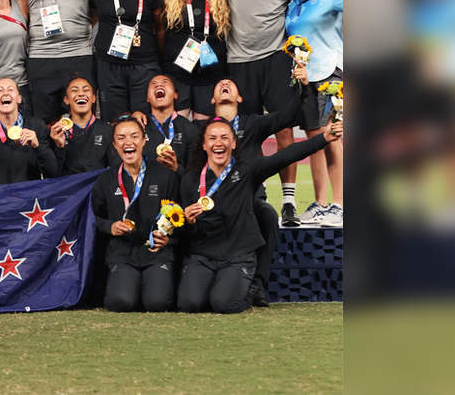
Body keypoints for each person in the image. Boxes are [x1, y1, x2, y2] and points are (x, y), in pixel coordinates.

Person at [176, 117, 343, 314]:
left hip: (236, 256)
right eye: (212, 138)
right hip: (202, 256)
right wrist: (188, 221)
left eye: (224, 137)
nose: (218, 143)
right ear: (204, 145)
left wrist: (323, 138)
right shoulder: (190, 180)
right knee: (189, 305)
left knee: (224, 304)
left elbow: (286, 156)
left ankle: (248, 289)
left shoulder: (247, 171)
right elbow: (188, 232)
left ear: (234, 143)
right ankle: (220, 284)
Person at [216, 0, 301, 212]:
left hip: (276, 57)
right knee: (246, 134)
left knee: (284, 129)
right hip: (239, 61)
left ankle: (289, 199)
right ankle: (255, 193)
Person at [194, 76, 305, 306]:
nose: (225, 84)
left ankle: (257, 285)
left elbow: (287, 116)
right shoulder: (201, 129)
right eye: (220, 85)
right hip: (210, 200)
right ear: (212, 98)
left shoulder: (252, 124)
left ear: (240, 98)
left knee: (267, 215)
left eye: (231, 85)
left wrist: (301, 86)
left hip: (249, 198)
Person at [91, 117, 180, 312]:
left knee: (156, 303)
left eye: (134, 136)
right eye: (121, 138)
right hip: (122, 254)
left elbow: (180, 218)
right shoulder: (106, 180)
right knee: (121, 302)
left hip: (157, 254)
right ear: (114, 145)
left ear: (143, 140)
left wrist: (168, 240)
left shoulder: (165, 176)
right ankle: (131, 286)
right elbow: (91, 218)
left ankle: (150, 287)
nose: (128, 142)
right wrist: (110, 226)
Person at [286, 0, 344, 227]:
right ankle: (322, 204)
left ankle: (340, 204)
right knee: (315, 141)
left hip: (330, 75)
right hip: (304, 79)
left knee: (332, 138)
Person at [89, 0, 164, 119]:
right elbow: (93, 18)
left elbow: (160, 26)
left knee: (143, 119)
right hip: (109, 64)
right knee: (113, 121)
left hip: (144, 64)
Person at [160, 0, 231, 119]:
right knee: (176, 133)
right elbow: (158, 30)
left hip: (209, 77)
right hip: (177, 76)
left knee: (203, 133)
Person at [0, 78, 58, 186]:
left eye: (10, 89)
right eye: (0, 90)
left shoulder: (36, 126)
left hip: (31, 198)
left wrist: (37, 147)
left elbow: (52, 172)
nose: (6, 93)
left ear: (19, 98)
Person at [48, 76, 113, 175]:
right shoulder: (56, 132)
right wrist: (59, 147)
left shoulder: (107, 130)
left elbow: (115, 171)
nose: (81, 94)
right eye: (74, 90)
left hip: (99, 188)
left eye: (86, 90)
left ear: (94, 98)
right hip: (70, 189)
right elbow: (52, 176)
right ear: (66, 99)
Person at [140, 75, 199, 174]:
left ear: (175, 95)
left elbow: (194, 176)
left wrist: (177, 168)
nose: (159, 85)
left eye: (165, 82)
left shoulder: (190, 129)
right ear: (147, 98)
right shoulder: (139, 125)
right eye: (153, 84)